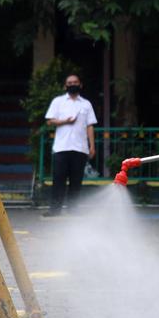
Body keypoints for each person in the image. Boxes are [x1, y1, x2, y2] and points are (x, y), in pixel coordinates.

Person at [43, 74, 96, 216]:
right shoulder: (58, 101)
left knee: (76, 181)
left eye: (75, 82)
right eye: (69, 82)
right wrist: (65, 121)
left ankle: (73, 209)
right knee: (58, 179)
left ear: (80, 84)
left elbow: (90, 125)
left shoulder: (86, 104)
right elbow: (49, 121)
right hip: (61, 147)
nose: (72, 84)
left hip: (80, 148)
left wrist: (92, 146)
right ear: (65, 86)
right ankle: (55, 210)